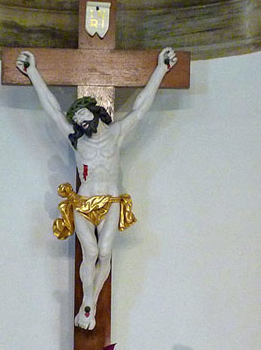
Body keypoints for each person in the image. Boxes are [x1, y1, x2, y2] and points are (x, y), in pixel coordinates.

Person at [15, 47, 178, 330]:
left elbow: (141, 107)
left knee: (104, 252)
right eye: (78, 122)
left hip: (111, 200)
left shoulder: (116, 134)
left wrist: (161, 69)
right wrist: (33, 73)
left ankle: (89, 302)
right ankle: (88, 303)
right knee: (89, 253)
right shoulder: (78, 141)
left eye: (83, 116)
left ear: (94, 111)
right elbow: (52, 110)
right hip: (83, 202)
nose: (81, 123)